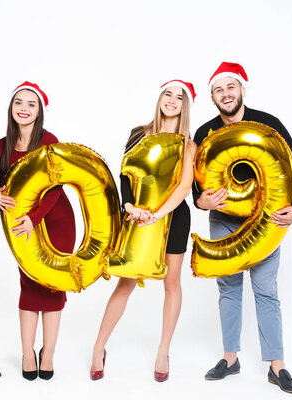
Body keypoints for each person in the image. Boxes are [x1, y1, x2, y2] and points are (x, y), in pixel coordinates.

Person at [194, 62, 292, 394]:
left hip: (266, 222)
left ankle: (277, 366)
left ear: (242, 89)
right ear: (212, 96)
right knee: (228, 288)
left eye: (231, 87)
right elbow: (194, 187)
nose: (225, 94)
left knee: (266, 291)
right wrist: (202, 202)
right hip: (224, 220)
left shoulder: (268, 124)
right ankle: (230, 359)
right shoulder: (204, 133)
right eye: (218, 89)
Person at [90, 79, 197, 382]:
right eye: (168, 94)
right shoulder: (139, 133)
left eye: (179, 97)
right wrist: (129, 206)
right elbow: (125, 173)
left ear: (184, 105)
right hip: (137, 214)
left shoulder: (188, 144)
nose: (172, 100)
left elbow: (184, 186)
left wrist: (159, 214)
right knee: (125, 282)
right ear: (160, 97)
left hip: (173, 217)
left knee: (171, 283)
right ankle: (99, 347)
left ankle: (163, 350)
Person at [0, 82, 76, 381]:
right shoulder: (2, 145)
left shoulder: (49, 140)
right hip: (21, 226)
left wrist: (36, 217)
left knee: (53, 286)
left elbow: (56, 186)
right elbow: (0, 186)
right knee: (28, 286)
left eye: (31, 104)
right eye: (19, 103)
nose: (24, 109)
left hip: (55, 220)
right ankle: (28, 352)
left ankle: (48, 352)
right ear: (11, 108)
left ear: (39, 111)